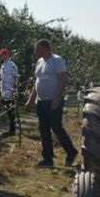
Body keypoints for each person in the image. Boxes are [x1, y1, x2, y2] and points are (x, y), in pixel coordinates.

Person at [25, 39, 79, 167]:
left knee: (56, 128)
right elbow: (37, 82)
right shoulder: (39, 62)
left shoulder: (57, 60)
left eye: (37, 49)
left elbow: (63, 80)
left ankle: (71, 152)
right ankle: (47, 159)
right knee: (43, 130)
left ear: (45, 48)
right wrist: (31, 100)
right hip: (41, 101)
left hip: (53, 101)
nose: (35, 51)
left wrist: (57, 99)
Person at [0, 48, 19, 135]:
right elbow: (2, 79)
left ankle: (12, 130)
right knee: (8, 111)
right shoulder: (3, 66)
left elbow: (16, 78)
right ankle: (10, 129)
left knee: (11, 112)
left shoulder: (12, 65)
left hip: (10, 91)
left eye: (1, 55)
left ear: (6, 55)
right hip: (4, 91)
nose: (0, 57)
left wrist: (13, 91)